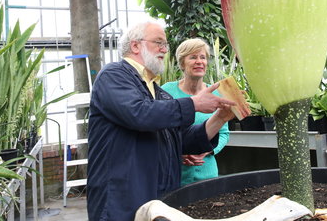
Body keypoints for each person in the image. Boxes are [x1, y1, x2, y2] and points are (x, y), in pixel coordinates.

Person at [86, 21, 241, 221]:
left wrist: (220, 117)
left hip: (155, 196)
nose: (164, 49)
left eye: (165, 45)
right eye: (158, 42)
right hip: (122, 196)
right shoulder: (114, 75)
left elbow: (181, 138)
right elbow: (139, 113)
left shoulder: (157, 92)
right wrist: (194, 103)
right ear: (135, 46)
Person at [162, 38, 229, 186]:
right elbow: (159, 133)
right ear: (182, 63)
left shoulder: (217, 93)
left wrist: (209, 150)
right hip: (175, 174)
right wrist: (176, 152)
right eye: (193, 57)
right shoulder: (166, 91)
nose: (199, 61)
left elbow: (224, 133)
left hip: (207, 174)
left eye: (203, 57)